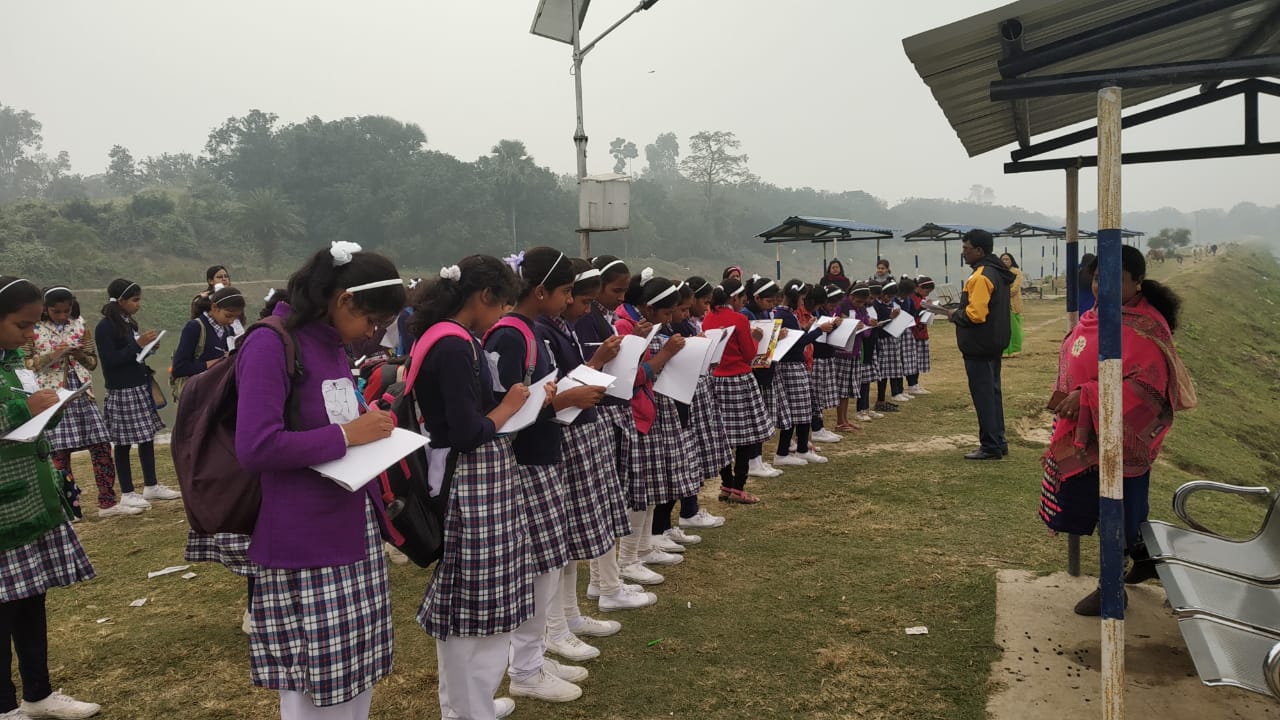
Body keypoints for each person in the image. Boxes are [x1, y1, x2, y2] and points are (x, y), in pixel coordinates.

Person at [236, 242, 404, 719]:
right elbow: (256, 446)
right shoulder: (271, 343)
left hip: (349, 528)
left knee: (353, 678)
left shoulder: (329, 343)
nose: (372, 334)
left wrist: (368, 422)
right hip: (305, 542)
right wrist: (348, 434)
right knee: (315, 688)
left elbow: (330, 417)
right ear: (344, 299)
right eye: (371, 321)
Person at [1039, 246, 1196, 616]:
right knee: (1105, 506)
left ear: (1137, 282)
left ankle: (1110, 588)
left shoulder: (1145, 328)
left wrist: (1088, 396)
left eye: (1114, 279)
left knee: (1119, 507)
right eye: (1097, 278)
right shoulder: (1096, 315)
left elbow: (1148, 388)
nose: (1102, 286)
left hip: (1123, 437)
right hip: (1087, 429)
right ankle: (1143, 557)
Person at [410, 256, 531, 720]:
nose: (501, 316)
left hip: (459, 474)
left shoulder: (441, 335)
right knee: (477, 601)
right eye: (502, 306)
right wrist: (510, 406)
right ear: (484, 296)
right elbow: (467, 431)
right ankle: (469, 708)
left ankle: (465, 704)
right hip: (468, 479)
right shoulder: (455, 344)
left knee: (472, 596)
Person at [484, 248, 592, 706]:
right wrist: (562, 401)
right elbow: (505, 409)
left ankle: (533, 656)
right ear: (541, 290)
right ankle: (525, 667)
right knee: (538, 568)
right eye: (566, 291)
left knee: (547, 564)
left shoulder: (532, 331)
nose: (568, 301)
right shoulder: (512, 335)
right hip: (525, 462)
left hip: (543, 456)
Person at [0, 277, 101, 720]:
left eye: (32, 325)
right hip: (4, 512)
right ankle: (4, 707)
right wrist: (24, 410)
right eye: (21, 326)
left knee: (31, 599)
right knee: (2, 610)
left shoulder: (12, 362)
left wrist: (50, 409)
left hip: (31, 501)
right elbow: (14, 413)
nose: (29, 335)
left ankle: (37, 694)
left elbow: (26, 414)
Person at [538, 260, 645, 667]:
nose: (581, 306)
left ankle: (569, 617)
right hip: (563, 434)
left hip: (580, 428)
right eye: (575, 297)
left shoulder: (561, 327)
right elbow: (554, 390)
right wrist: (597, 362)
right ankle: (555, 628)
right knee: (562, 540)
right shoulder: (541, 331)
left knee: (573, 538)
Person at [27, 287, 134, 520]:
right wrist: (52, 356)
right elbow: (26, 364)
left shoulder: (80, 323)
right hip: (54, 397)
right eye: (56, 312)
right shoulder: (33, 328)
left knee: (102, 446)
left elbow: (93, 363)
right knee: (59, 454)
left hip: (82, 393)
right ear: (45, 309)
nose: (62, 316)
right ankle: (70, 509)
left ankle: (107, 503)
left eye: (66, 311)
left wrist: (79, 356)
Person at [612, 272, 692, 580]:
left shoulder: (639, 324)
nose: (670, 319)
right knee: (638, 490)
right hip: (633, 413)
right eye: (667, 313)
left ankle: (643, 548)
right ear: (648, 308)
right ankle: (627, 559)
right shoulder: (624, 326)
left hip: (646, 410)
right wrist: (666, 354)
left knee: (648, 488)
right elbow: (630, 377)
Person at [95, 279, 180, 508]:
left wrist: (148, 347)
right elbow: (111, 361)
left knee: (146, 437)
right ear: (121, 300)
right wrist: (137, 345)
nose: (138, 304)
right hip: (122, 390)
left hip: (138, 384)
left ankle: (151, 485)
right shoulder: (105, 327)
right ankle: (127, 492)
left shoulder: (128, 322)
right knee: (122, 442)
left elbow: (133, 355)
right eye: (134, 300)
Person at [937, 230, 1013, 460]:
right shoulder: (997, 272)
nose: (963, 253)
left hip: (979, 345)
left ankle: (990, 445)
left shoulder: (980, 277)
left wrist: (954, 314)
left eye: (966, 248)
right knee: (993, 393)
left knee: (984, 396)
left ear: (979, 251)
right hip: (993, 342)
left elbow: (976, 314)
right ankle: (999, 440)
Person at [702, 279, 773, 504]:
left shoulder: (708, 318)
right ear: (734, 298)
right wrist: (756, 339)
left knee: (722, 435)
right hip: (739, 379)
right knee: (745, 436)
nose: (743, 302)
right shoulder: (739, 319)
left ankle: (726, 484)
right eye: (742, 298)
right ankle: (739, 487)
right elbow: (749, 354)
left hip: (716, 380)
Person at [771, 280, 834, 467]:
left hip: (790, 365)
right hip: (792, 365)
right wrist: (818, 331)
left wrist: (807, 329)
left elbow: (795, 337)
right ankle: (788, 451)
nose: (802, 301)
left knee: (800, 409)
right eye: (801, 298)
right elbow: (798, 343)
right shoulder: (786, 315)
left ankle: (797, 449)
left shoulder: (784, 313)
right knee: (799, 410)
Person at [171, 285, 246, 401]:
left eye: (236, 318)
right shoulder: (194, 327)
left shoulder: (228, 330)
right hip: (197, 397)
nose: (231, 321)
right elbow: (179, 368)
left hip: (216, 396)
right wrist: (220, 361)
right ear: (214, 307)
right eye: (228, 316)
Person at [807, 284, 846, 443]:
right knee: (816, 395)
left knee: (821, 395)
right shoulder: (816, 314)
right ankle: (816, 428)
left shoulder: (825, 314)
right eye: (831, 304)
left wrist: (835, 325)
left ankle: (819, 427)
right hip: (817, 357)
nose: (833, 307)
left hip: (826, 356)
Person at [1001, 253, 1024, 358]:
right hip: (1002, 305)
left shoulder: (1016, 272)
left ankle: (1015, 350)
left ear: (1011, 261)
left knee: (1015, 330)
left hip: (1013, 304)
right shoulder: (999, 272)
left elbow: (1015, 289)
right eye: (1003, 259)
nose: (1005, 261)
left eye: (1007, 259)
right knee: (1003, 329)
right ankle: (1004, 351)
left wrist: (1002, 293)